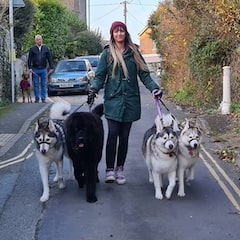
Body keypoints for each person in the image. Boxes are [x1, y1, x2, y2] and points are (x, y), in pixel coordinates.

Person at [87, 21, 162, 185]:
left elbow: (145, 75)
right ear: (112, 34)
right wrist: (93, 90)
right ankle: (109, 170)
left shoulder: (134, 52)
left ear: (125, 33)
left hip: (130, 102)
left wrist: (154, 89)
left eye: (121, 31)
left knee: (125, 136)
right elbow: (100, 76)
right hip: (113, 101)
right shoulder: (107, 54)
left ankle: (120, 168)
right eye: (116, 32)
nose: (119, 34)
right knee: (113, 134)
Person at [27, 34, 54, 103]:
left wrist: (51, 67)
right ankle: (37, 98)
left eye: (40, 39)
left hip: (43, 69)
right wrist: (30, 68)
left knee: (43, 84)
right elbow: (29, 59)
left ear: (42, 40)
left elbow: (49, 58)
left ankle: (43, 98)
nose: (39, 41)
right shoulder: (32, 49)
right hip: (35, 69)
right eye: (37, 40)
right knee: (36, 84)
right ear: (35, 41)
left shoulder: (46, 48)